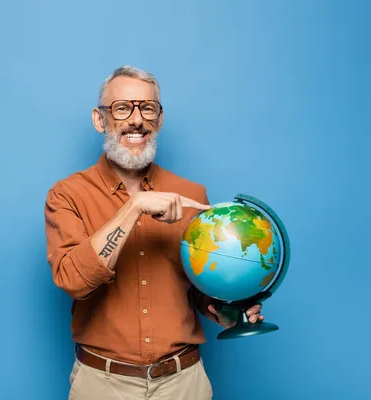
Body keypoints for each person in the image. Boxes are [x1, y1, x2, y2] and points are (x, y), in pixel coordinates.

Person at [44, 66, 264, 400]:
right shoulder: (67, 195)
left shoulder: (190, 194)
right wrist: (134, 208)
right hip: (102, 385)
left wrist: (227, 311)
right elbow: (73, 281)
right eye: (122, 108)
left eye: (147, 108)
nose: (136, 120)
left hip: (183, 383)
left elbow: (200, 287)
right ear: (99, 119)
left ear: (159, 120)